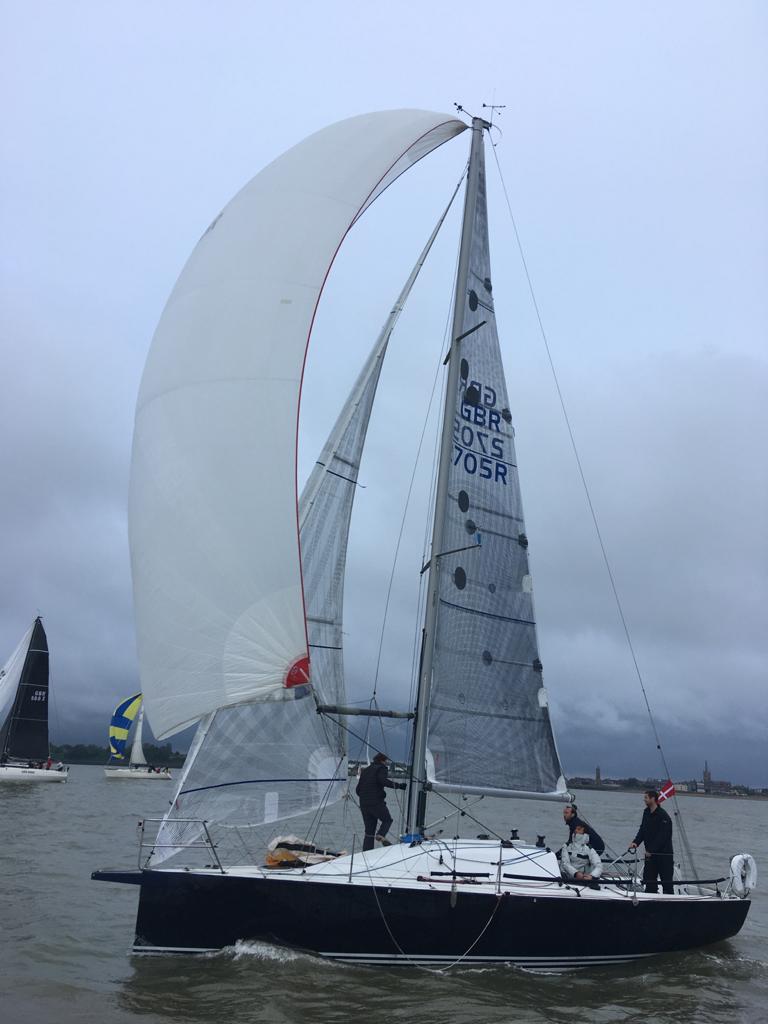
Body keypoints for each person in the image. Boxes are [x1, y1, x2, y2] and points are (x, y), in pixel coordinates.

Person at [355, 752, 406, 851]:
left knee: (369, 832)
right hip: (376, 802)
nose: (386, 763)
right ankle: (381, 835)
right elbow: (383, 781)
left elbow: (358, 790)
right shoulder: (381, 768)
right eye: (386, 761)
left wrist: (364, 798)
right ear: (382, 760)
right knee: (387, 820)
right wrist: (399, 786)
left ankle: (366, 853)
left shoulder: (365, 770)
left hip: (364, 804)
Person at [629, 789, 674, 894]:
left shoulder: (664, 816)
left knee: (667, 884)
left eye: (646, 797)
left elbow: (663, 836)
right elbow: (643, 829)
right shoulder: (646, 812)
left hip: (664, 855)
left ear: (653, 799)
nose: (644, 800)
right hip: (650, 856)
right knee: (649, 883)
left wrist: (652, 850)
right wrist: (636, 842)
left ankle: (670, 905)